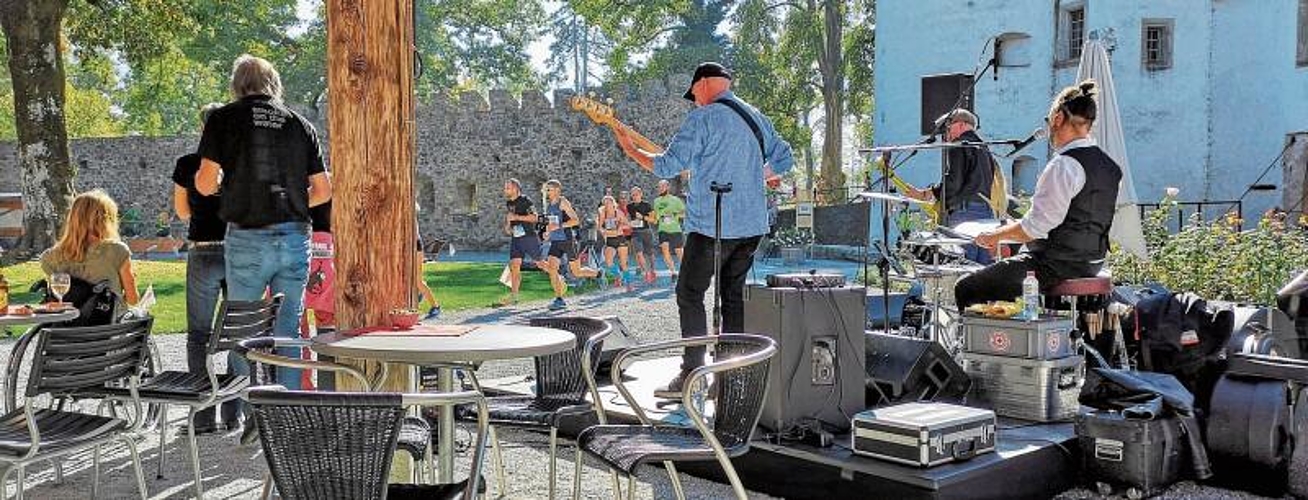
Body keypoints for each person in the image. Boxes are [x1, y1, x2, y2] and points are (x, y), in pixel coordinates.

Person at [612, 61, 794, 397]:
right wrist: (759, 173)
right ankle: (729, 381)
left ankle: (692, 374)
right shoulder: (756, 116)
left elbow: (665, 165)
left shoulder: (704, 117)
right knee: (733, 297)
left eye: (694, 92)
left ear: (705, 83)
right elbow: (785, 157)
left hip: (713, 225)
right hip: (752, 226)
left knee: (690, 294)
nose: (693, 99)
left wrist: (629, 148)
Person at [196, 54, 332, 405]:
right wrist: (290, 203)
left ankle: (241, 409)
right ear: (274, 85)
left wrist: (225, 188)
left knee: (243, 327)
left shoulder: (222, 119)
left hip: (247, 236)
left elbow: (205, 182)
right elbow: (323, 191)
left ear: (237, 86)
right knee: (288, 328)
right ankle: (287, 408)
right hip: (294, 236)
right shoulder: (301, 125)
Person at [954, 80, 1120, 309]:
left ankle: (992, 343)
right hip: (1091, 262)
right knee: (1003, 271)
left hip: (1055, 266)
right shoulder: (1109, 166)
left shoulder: (1063, 165)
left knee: (967, 287)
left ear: (1058, 118)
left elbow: (1035, 228)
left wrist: (994, 236)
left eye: (1049, 119)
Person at [172, 103, 233, 434]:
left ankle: (203, 417)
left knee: (199, 336)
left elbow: (182, 212)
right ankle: (235, 414)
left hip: (203, 252)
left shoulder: (186, 165)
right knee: (239, 334)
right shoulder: (239, 165)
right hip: (237, 252)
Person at [903, 109, 999, 264]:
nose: (946, 134)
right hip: (985, 211)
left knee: (962, 265)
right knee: (983, 268)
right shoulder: (984, 148)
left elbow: (953, 183)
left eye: (948, 128)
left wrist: (928, 194)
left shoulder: (959, 145)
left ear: (961, 125)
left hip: (964, 212)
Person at [40, 190, 141, 317]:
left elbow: (59, 299)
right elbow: (133, 300)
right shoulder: (117, 251)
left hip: (67, 331)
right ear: (106, 220)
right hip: (108, 331)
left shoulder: (49, 258)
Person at [540, 179, 598, 309]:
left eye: (550, 189)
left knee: (576, 272)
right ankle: (559, 298)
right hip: (555, 242)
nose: (547, 191)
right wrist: (547, 232)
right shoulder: (549, 206)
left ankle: (597, 274)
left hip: (567, 240)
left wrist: (558, 226)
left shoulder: (563, 202)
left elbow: (575, 221)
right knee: (552, 269)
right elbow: (552, 225)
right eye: (547, 189)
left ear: (557, 190)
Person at [502, 178, 540, 306]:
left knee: (540, 264)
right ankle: (514, 296)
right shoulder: (509, 203)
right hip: (517, 238)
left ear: (516, 188)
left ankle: (558, 278)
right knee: (514, 265)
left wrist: (517, 217)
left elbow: (535, 217)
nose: (505, 190)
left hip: (529, 237)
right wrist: (508, 226)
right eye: (505, 187)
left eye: (508, 187)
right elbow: (511, 220)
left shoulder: (525, 201)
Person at [653, 179, 686, 279]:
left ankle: (685, 270)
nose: (661, 188)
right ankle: (673, 272)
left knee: (679, 252)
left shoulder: (675, 200)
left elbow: (684, 213)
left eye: (663, 186)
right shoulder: (656, 201)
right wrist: (656, 217)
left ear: (668, 187)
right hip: (663, 229)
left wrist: (674, 214)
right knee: (665, 250)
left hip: (675, 229)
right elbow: (656, 216)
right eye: (659, 187)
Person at [597, 195, 632, 289]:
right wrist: (603, 231)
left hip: (620, 238)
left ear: (613, 203)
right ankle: (618, 275)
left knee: (623, 263)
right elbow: (599, 227)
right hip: (610, 240)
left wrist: (621, 227)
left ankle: (628, 283)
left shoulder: (619, 213)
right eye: (606, 203)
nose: (608, 204)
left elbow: (628, 225)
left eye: (610, 202)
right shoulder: (602, 214)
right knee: (608, 262)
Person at [627, 186, 658, 284]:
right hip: (635, 233)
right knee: (639, 253)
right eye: (633, 195)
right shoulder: (629, 206)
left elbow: (654, 220)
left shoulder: (647, 205)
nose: (634, 197)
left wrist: (643, 217)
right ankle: (647, 273)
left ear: (641, 194)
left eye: (636, 194)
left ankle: (653, 270)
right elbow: (626, 217)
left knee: (650, 254)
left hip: (646, 231)